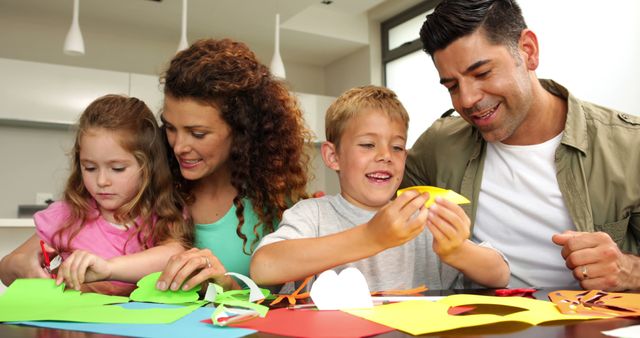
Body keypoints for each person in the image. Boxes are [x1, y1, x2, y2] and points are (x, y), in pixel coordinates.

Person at [404, 0, 640, 290]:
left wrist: (628, 270)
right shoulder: (438, 146)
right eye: (452, 86)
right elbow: (375, 203)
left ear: (528, 50)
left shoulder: (630, 146)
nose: (466, 100)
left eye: (482, 73)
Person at [250, 86, 509, 291]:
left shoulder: (423, 216)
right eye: (367, 145)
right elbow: (264, 268)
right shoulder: (312, 215)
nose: (386, 155)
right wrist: (372, 237)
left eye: (397, 147)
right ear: (333, 156)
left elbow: (500, 274)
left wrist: (458, 250)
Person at [154, 38, 311, 292]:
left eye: (198, 133)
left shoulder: (276, 201)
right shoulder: (154, 184)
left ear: (241, 132)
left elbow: (280, 306)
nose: (179, 146)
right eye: (171, 128)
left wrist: (225, 287)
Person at [0, 94, 191, 295]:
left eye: (117, 169)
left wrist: (108, 269)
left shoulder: (160, 215)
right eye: (90, 168)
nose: (101, 181)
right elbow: (6, 269)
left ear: (148, 167)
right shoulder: (67, 215)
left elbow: (174, 255)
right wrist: (19, 266)